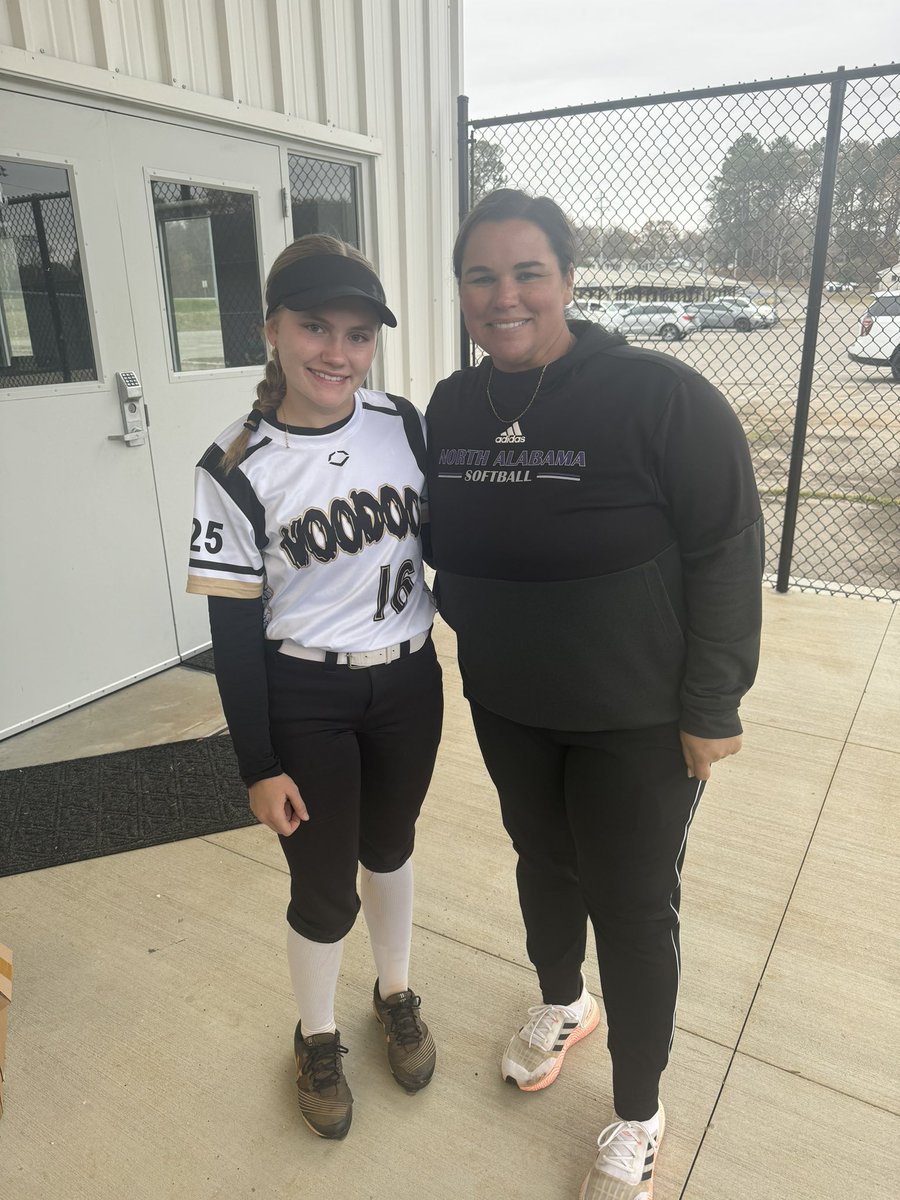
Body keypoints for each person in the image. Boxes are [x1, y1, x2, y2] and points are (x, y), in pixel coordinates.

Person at [425, 190, 763, 1199]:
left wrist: (714, 704)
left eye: (528, 271)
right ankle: (565, 1004)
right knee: (542, 862)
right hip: (511, 703)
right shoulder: (453, 405)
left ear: (569, 279)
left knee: (629, 902)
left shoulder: (658, 395)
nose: (505, 294)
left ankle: (637, 1111)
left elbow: (725, 549)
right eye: (482, 276)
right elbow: (438, 532)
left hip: (638, 720)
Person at [187, 235, 443, 1140]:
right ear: (272, 330)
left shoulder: (404, 423)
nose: (337, 352)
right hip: (307, 697)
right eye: (314, 327)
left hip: (410, 681)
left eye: (358, 333)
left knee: (392, 846)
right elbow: (231, 630)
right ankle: (319, 1034)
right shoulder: (235, 464)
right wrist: (257, 762)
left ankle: (397, 992)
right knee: (326, 887)